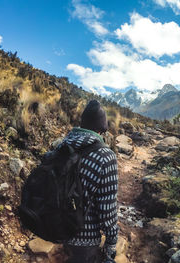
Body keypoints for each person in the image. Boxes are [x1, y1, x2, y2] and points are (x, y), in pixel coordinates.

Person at [61, 100, 119, 263]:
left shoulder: (62, 145)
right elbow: (107, 211)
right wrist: (111, 244)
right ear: (102, 130)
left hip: (58, 228)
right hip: (85, 238)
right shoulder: (105, 157)